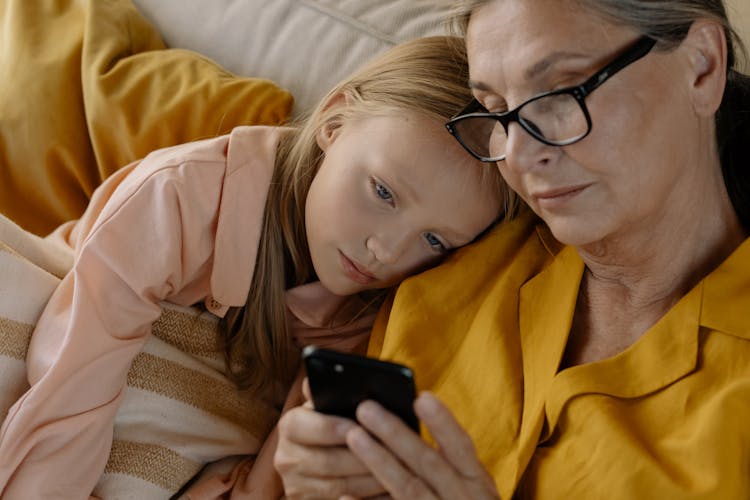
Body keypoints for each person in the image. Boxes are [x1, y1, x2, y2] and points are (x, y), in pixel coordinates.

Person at [274, 0, 750, 498]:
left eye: (562, 93)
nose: (519, 154)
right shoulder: (445, 269)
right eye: (497, 112)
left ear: (702, 67)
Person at [0, 36, 509, 499]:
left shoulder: (383, 310)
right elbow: (73, 377)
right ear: (333, 122)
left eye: (435, 239)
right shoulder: (183, 193)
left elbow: (271, 474)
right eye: (382, 192)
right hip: (74, 338)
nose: (388, 251)